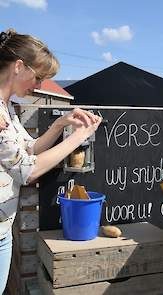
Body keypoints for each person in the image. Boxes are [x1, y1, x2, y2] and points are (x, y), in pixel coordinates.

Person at [0, 28, 101, 294]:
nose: (40, 86)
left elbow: (28, 149)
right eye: (39, 76)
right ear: (19, 67)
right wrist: (78, 137)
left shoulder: (7, 107)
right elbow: (27, 170)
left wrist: (59, 124)